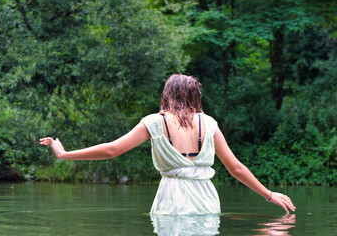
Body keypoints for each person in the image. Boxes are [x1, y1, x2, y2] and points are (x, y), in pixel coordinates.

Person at [40, 74, 296, 216]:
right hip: (207, 202)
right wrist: (269, 194)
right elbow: (236, 168)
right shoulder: (209, 123)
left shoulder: (154, 122)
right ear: (195, 96)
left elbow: (112, 150)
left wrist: (64, 154)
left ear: (167, 94)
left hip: (170, 202)